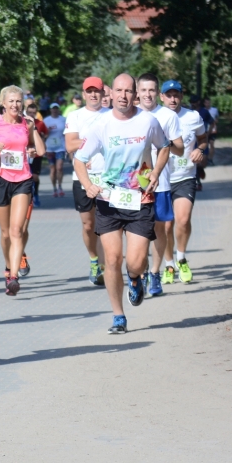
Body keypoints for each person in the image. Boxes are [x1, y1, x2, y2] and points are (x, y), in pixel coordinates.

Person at [73, 74, 172, 334]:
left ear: (135, 94)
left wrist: (156, 172)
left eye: (128, 91)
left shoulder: (148, 121)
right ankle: (118, 316)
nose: (123, 96)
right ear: (111, 93)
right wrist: (87, 184)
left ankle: (136, 278)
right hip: (109, 200)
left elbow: (164, 147)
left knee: (135, 263)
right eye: (119, 90)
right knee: (113, 259)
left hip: (140, 199)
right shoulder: (101, 125)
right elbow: (79, 159)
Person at [0, 86, 45, 295]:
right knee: (5, 233)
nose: (15, 105)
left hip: (23, 179)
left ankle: (13, 278)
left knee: (17, 230)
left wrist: (32, 134)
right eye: (11, 101)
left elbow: (40, 150)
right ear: (4, 103)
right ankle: (8, 266)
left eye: (18, 101)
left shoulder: (27, 123)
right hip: (0, 179)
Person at [136, 75, 183, 297]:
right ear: (137, 92)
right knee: (137, 231)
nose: (148, 94)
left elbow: (180, 149)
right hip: (134, 183)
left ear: (158, 93)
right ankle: (141, 272)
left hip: (160, 182)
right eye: (143, 90)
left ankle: (155, 272)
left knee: (159, 228)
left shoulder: (167, 116)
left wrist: (163, 141)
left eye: (151, 90)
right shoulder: (130, 115)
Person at [64, 76, 110, 286]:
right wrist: (92, 143)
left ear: (102, 93)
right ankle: (94, 260)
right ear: (83, 94)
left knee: (108, 224)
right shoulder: (75, 116)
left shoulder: (111, 115)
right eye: (89, 91)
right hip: (82, 177)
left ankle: (107, 264)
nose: (93, 95)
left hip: (107, 177)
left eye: (96, 91)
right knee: (88, 224)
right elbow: (70, 144)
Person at [162, 85, 208, 284]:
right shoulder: (154, 117)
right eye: (169, 95)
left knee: (183, 219)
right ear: (162, 97)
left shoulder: (192, 117)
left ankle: (181, 259)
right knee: (166, 226)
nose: (173, 99)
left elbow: (203, 139)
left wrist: (200, 149)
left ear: (181, 96)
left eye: (176, 95)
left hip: (185, 176)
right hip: (162, 178)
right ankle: (168, 264)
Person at [25, 100, 47, 208]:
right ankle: (28, 197)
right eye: (30, 112)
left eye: (34, 113)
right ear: (26, 112)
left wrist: (41, 140)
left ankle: (36, 195)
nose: (32, 115)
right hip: (26, 154)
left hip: (37, 154)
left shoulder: (40, 123)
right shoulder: (22, 122)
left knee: (35, 176)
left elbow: (46, 134)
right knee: (26, 176)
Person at [44, 102, 67, 197]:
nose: (55, 110)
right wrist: (47, 131)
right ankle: (54, 188)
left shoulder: (63, 119)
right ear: (50, 110)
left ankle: (60, 186)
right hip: (50, 148)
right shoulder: (46, 120)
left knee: (59, 168)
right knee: (52, 169)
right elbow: (43, 134)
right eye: (53, 108)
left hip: (60, 147)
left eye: (56, 108)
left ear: (58, 109)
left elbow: (67, 132)